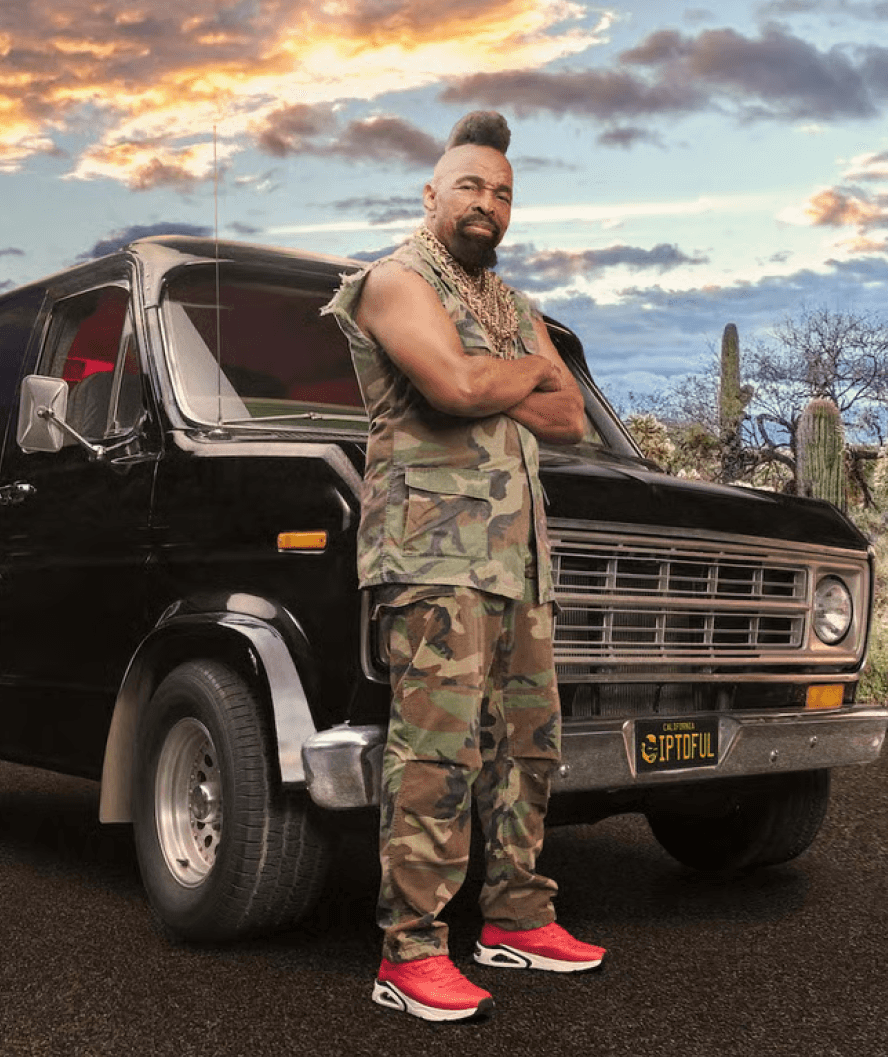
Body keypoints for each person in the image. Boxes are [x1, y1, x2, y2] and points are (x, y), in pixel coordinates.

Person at [323, 110, 605, 1023]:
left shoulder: (513, 306)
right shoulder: (394, 282)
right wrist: (527, 373)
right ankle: (409, 953)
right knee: (437, 754)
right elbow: (453, 388)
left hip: (518, 560)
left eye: (504, 193)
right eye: (471, 186)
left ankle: (516, 916)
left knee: (530, 744)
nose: (487, 203)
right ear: (432, 193)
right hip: (434, 556)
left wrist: (504, 372)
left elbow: (573, 422)